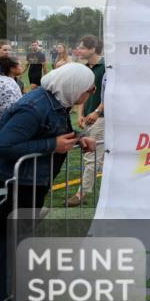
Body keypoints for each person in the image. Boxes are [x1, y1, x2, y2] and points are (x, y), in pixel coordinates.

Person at [0, 62, 98, 301]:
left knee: (18, 259)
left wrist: (79, 140)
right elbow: (4, 146)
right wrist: (51, 146)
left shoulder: (53, 103)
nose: (90, 92)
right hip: (9, 192)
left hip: (25, 190)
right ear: (72, 85)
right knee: (10, 260)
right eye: (87, 87)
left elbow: (49, 137)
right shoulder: (34, 107)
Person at [64, 35, 104, 207]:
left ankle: (82, 193)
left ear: (93, 49)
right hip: (89, 117)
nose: (78, 50)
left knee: (91, 156)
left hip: (102, 117)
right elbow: (84, 93)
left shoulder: (107, 67)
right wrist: (81, 113)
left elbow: (110, 93)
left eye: (82, 47)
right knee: (93, 155)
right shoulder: (85, 68)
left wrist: (97, 111)